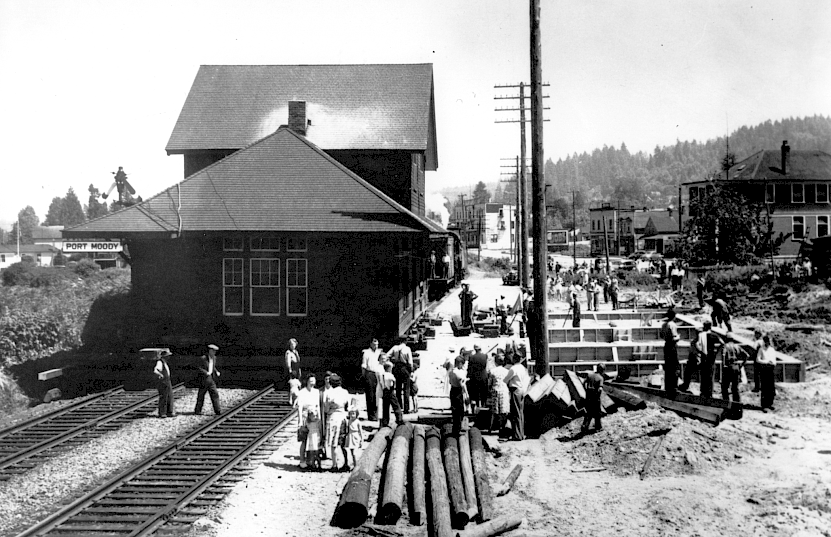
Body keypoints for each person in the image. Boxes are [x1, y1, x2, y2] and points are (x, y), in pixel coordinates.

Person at [323, 374, 351, 471]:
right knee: (343, 443)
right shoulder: (345, 392)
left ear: (331, 383)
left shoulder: (329, 393)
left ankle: (334, 465)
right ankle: (346, 463)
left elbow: (326, 409)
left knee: (333, 443)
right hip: (343, 418)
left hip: (333, 418)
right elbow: (348, 406)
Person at [295, 374, 321, 469]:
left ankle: (311, 460)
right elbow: (300, 407)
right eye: (310, 382)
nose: (312, 384)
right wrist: (300, 421)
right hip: (306, 416)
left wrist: (319, 419)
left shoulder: (316, 392)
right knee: (304, 440)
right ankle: (302, 460)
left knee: (314, 440)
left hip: (314, 417)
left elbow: (318, 405)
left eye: (314, 382)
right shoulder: (302, 392)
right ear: (307, 382)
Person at [503, 354, 529, 441]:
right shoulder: (522, 368)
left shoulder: (513, 368)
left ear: (514, 359)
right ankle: (521, 434)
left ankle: (517, 435)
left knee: (515, 413)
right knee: (520, 412)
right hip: (522, 389)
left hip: (515, 389)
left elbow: (505, 379)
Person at [385, 338, 414, 414]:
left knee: (398, 388)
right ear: (405, 341)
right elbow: (410, 362)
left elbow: (386, 355)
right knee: (406, 389)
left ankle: (399, 406)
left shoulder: (395, 348)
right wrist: (411, 371)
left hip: (396, 368)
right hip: (404, 368)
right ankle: (406, 409)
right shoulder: (407, 349)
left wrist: (390, 362)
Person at [720, 332, 749, 404]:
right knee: (735, 388)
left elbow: (723, 356)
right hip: (736, 366)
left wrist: (724, 366)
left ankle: (726, 404)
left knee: (725, 387)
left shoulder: (725, 346)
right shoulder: (737, 346)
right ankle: (737, 405)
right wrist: (742, 364)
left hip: (728, 367)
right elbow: (747, 355)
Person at [194, 343, 222, 416]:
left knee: (215, 393)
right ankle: (198, 410)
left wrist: (216, 371)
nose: (214, 353)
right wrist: (206, 372)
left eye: (215, 351)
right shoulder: (203, 358)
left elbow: (212, 366)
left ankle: (217, 410)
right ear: (210, 351)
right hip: (204, 379)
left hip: (211, 379)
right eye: (213, 351)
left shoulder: (214, 358)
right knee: (201, 395)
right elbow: (199, 368)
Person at [698, 320, 722, 399]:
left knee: (703, 375)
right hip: (711, 356)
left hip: (704, 356)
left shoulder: (701, 335)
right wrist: (716, 351)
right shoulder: (714, 335)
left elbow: (698, 345)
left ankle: (703, 392)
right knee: (710, 375)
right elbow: (722, 343)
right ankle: (709, 393)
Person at [487, 355, 511, 434]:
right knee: (503, 411)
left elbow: (489, 383)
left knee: (494, 411)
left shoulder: (492, 371)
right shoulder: (507, 371)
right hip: (504, 390)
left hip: (495, 390)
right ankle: (502, 427)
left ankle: (491, 427)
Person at [660, 310, 680, 398]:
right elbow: (673, 338)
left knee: (667, 367)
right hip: (672, 346)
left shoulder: (664, 325)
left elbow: (661, 335)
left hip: (666, 346)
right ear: (674, 316)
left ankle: (667, 387)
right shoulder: (672, 325)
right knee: (674, 367)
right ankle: (673, 388)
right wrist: (678, 337)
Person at [361, 338, 382, 421]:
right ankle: (371, 415)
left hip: (377, 373)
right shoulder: (366, 353)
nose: (376, 346)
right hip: (369, 374)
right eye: (374, 344)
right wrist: (365, 377)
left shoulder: (379, 352)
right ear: (370, 344)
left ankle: (376, 414)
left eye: (377, 344)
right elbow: (363, 366)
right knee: (370, 395)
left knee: (377, 394)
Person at [448, 355, 469, 435]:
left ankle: (455, 429)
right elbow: (462, 385)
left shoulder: (451, 372)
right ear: (460, 363)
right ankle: (458, 429)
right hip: (458, 391)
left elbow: (450, 382)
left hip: (452, 390)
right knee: (460, 411)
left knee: (454, 411)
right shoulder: (459, 373)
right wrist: (467, 394)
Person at [581, 364, 605, 433]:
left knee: (588, 412)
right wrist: (598, 395)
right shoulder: (600, 378)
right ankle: (598, 427)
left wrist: (586, 390)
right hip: (595, 397)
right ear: (602, 370)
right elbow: (600, 388)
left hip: (588, 396)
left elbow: (583, 383)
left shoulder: (590, 375)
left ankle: (584, 426)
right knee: (597, 413)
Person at [756, 335, 777, 412]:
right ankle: (764, 405)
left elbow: (774, 359)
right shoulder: (761, 349)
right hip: (764, 369)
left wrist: (772, 363)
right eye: (767, 341)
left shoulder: (772, 350)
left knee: (771, 387)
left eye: (769, 341)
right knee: (765, 387)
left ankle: (770, 404)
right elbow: (758, 359)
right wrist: (766, 362)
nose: (768, 343)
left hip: (771, 369)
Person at [153, 349, 175, 418]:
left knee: (169, 396)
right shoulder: (160, 362)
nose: (169, 357)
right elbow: (155, 370)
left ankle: (169, 412)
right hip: (163, 381)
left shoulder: (164, 362)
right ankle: (162, 413)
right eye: (167, 356)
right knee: (164, 397)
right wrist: (160, 375)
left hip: (167, 381)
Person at [679, 328, 702, 392]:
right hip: (695, 360)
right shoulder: (694, 342)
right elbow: (692, 352)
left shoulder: (699, 342)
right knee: (687, 372)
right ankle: (685, 386)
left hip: (700, 360)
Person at [380, 361, 403, 427]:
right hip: (390, 391)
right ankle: (399, 419)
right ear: (389, 368)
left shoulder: (382, 374)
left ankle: (385, 421)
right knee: (396, 405)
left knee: (385, 407)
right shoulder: (390, 375)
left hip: (384, 391)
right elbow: (393, 381)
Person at [467, 344, 489, 412]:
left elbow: (469, 369)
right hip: (483, 377)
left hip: (475, 378)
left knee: (475, 394)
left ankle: (475, 409)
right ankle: (483, 408)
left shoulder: (471, 357)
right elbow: (486, 367)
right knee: (483, 394)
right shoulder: (485, 356)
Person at [343, 406, 364, 470]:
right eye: (351, 413)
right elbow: (347, 430)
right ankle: (354, 465)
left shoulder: (358, 422)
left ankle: (356, 466)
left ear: (357, 414)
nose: (352, 415)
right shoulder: (349, 421)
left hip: (355, 437)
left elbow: (360, 432)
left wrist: (362, 440)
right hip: (350, 437)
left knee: (355, 453)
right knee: (351, 452)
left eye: (353, 413)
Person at [751, 329, 764, 393]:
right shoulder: (764, 342)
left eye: (755, 334)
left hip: (758, 360)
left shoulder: (757, 342)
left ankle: (757, 388)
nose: (755, 335)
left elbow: (753, 349)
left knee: (757, 374)